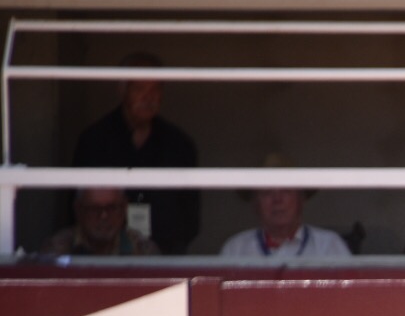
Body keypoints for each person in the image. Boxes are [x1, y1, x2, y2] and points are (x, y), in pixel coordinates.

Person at [70, 52, 199, 255]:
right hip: (104, 258)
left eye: (155, 89)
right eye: (139, 89)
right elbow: (74, 207)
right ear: (122, 91)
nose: (148, 97)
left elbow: (190, 216)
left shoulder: (179, 144)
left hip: (165, 259)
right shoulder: (94, 140)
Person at [220, 157, 351, 259]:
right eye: (267, 193)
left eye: (286, 191)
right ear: (255, 204)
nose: (277, 200)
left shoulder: (329, 246)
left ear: (301, 199)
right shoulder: (235, 249)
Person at [40, 188, 160, 257]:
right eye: (94, 208)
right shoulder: (56, 250)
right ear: (78, 209)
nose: (103, 216)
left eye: (112, 208)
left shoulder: (143, 250)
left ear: (124, 209)